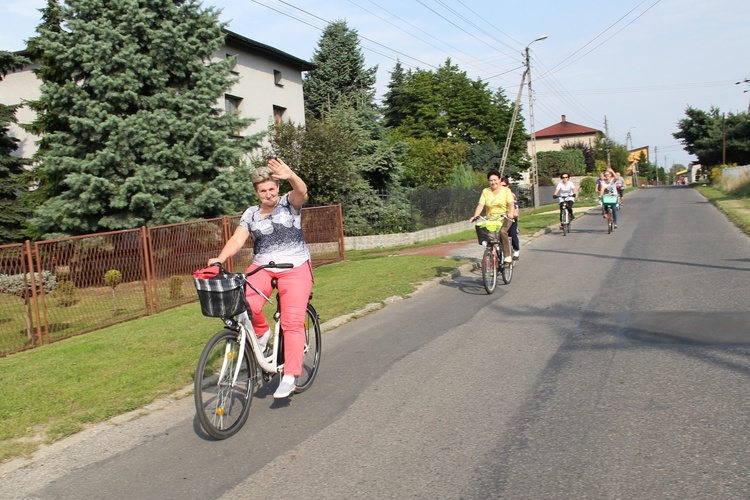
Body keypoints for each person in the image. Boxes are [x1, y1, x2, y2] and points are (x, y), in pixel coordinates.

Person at [208, 158, 313, 399]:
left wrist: (291, 176)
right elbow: (237, 239)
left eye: (272, 189)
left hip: (295, 266)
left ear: (277, 188)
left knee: (292, 321)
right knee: (245, 304)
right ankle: (263, 332)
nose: (268, 194)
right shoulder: (251, 214)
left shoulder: (289, 203)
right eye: (263, 190)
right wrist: (220, 259)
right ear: (257, 192)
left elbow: (302, 191)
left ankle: (289, 375)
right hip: (263, 267)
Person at [470, 169, 517, 265]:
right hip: (491, 218)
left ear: (499, 180)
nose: (493, 182)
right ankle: (487, 246)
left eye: (495, 180)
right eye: (491, 180)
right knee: (479, 225)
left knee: (503, 231)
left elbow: (511, 204)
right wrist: (475, 216)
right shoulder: (485, 191)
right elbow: (481, 205)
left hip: (504, 217)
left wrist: (511, 213)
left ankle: (507, 256)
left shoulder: (506, 191)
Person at [500, 177, 521, 260]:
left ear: (508, 186)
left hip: (510, 218)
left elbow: (515, 208)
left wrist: (513, 214)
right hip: (499, 218)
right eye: (500, 186)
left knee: (512, 234)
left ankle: (516, 250)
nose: (502, 188)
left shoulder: (511, 195)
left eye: (504, 186)